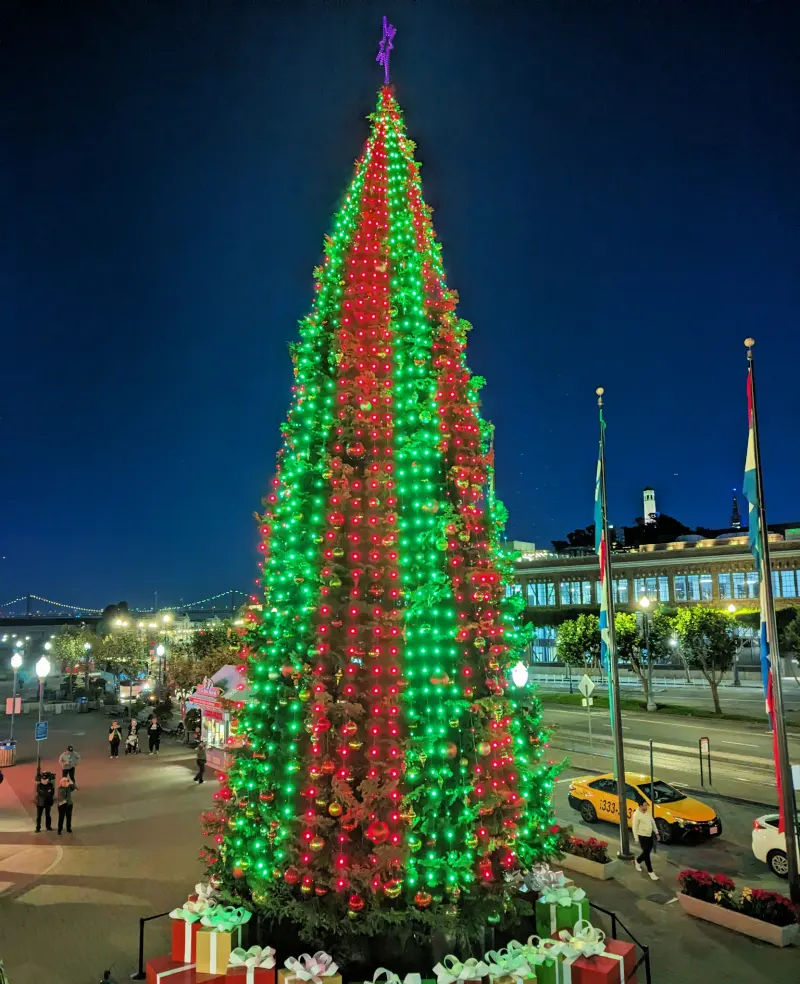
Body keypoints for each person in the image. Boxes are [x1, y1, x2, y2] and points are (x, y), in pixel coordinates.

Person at [632, 799, 660, 880]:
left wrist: (657, 833)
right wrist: (636, 838)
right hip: (642, 836)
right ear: (640, 806)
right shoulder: (636, 815)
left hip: (649, 835)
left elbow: (653, 822)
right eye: (644, 805)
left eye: (646, 805)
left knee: (647, 851)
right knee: (647, 854)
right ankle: (651, 872)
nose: (646, 807)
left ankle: (637, 861)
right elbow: (634, 828)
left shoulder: (648, 812)